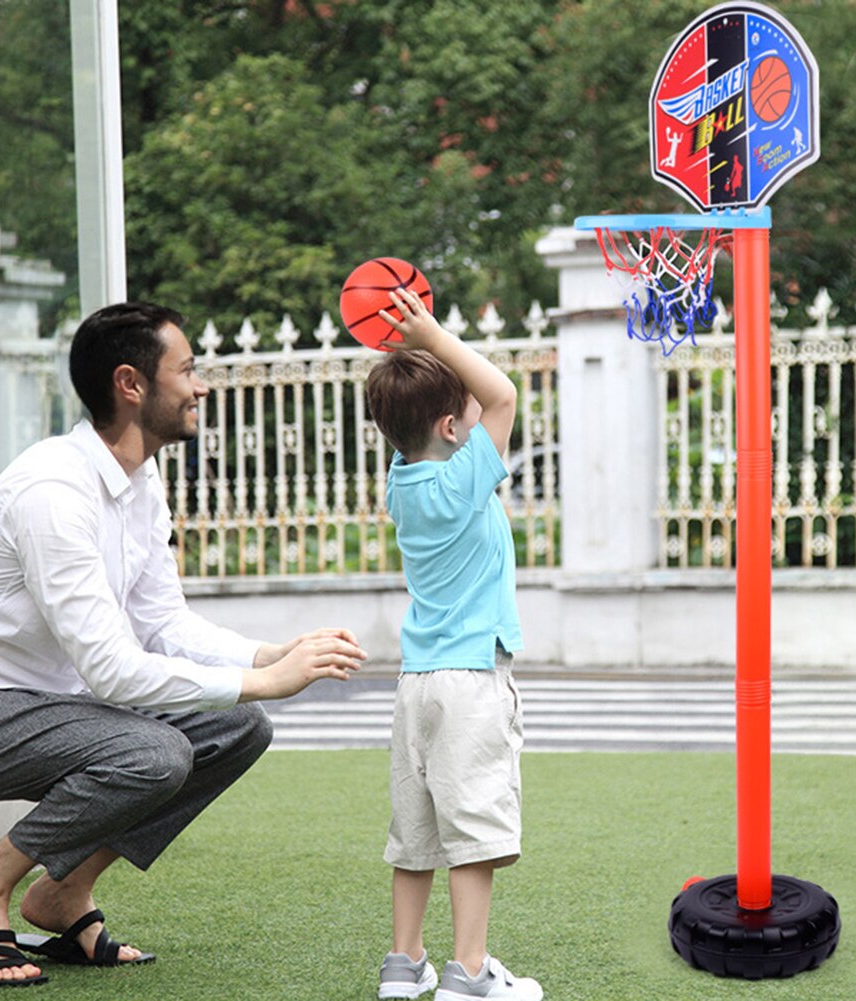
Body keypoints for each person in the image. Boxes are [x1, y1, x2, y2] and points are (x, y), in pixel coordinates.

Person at [0, 301, 367, 988]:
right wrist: (268, 678)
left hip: (47, 707)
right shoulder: (53, 491)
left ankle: (61, 891)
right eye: (188, 369)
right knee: (155, 751)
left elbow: (162, 622)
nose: (201, 385)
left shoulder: (139, 480)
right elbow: (112, 670)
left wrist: (266, 655)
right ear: (131, 383)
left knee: (234, 726)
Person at [365, 290, 541, 1001]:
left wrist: (416, 353)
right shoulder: (463, 477)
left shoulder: (402, 482)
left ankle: (403, 965)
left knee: (415, 835)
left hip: (416, 684)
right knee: (473, 837)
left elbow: (479, 401)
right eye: (463, 408)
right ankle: (468, 973)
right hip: (470, 681)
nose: (479, 408)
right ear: (450, 424)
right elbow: (503, 392)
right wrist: (432, 334)